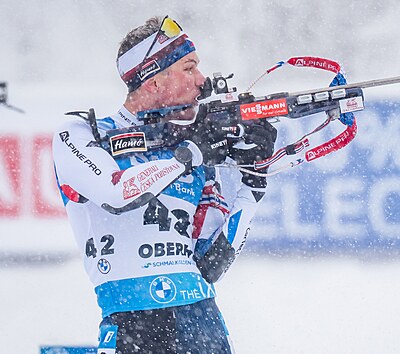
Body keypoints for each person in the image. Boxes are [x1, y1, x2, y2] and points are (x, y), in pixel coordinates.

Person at [52, 16, 276, 353]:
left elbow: (210, 264)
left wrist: (254, 181)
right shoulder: (82, 133)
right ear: (153, 82)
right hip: (132, 324)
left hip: (203, 322)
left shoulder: (191, 147)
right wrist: (191, 153)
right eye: (189, 69)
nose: (202, 82)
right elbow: (118, 192)